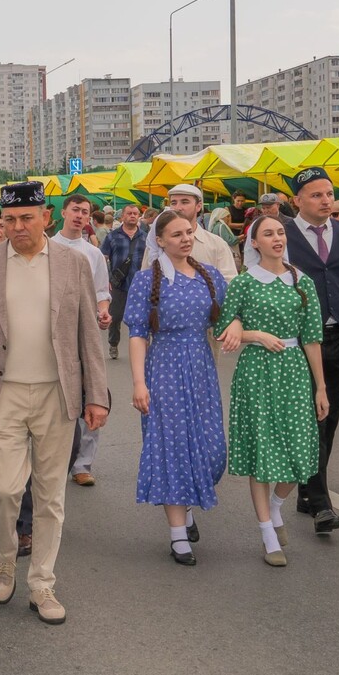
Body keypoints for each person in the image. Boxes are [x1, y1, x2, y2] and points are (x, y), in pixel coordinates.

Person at [0, 181, 109, 625]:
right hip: (0, 396)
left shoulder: (72, 263)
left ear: (46, 216)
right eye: (9, 220)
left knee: (50, 496)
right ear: (0, 222)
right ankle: (6, 555)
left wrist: (96, 396)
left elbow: (87, 335)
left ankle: (42, 583)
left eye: (27, 218)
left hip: (57, 394)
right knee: (3, 489)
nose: (18, 227)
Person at [266, 167, 339, 534]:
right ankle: (320, 503)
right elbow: (261, 285)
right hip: (295, 343)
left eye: (329, 193)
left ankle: (306, 491)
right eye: (316, 195)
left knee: (329, 418)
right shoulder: (276, 235)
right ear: (297, 200)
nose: (326, 200)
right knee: (310, 418)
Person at [217, 216, 329, 566]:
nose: (277, 238)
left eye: (280, 232)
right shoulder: (245, 283)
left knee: (302, 455)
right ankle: (267, 533)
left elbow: (312, 337)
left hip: (294, 371)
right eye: (268, 233)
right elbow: (223, 327)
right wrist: (255, 335)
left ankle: (277, 506)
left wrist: (321, 387)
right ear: (255, 243)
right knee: (262, 452)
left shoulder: (302, 282)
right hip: (257, 373)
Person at [125, 211, 228, 566]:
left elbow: (231, 316)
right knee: (172, 448)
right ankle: (178, 535)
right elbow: (138, 334)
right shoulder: (146, 281)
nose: (185, 238)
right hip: (164, 368)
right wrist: (139, 382)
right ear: (161, 241)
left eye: (188, 232)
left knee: (213, 449)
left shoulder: (209, 275)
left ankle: (187, 503)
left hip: (201, 367)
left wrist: (249, 330)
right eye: (176, 234)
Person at [53, 194, 113, 487]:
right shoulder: (47, 248)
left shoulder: (93, 254)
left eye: (85, 212)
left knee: (93, 396)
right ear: (63, 212)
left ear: (90, 218)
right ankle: (54, 461)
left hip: (85, 334)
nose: (79, 215)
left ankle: (82, 463)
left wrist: (103, 313)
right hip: (53, 335)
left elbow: (102, 292)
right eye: (75, 210)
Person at [142, 185, 238, 282]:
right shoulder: (158, 242)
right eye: (173, 203)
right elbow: (145, 279)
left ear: (198, 206)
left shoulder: (216, 244)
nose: (178, 208)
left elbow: (229, 282)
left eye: (184, 202)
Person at [101, 204, 148, 360]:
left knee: (142, 318)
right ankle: (113, 343)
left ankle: (142, 346)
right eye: (129, 213)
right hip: (118, 284)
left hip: (140, 285)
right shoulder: (112, 236)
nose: (132, 216)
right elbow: (103, 259)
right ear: (122, 217)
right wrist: (105, 279)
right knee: (115, 316)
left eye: (135, 213)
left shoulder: (145, 237)